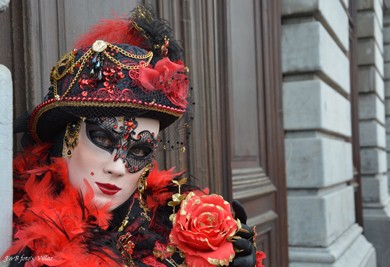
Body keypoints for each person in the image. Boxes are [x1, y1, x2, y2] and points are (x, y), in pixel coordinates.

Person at [2, 5, 266, 267]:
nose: (118, 167)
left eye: (139, 151)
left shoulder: (172, 223)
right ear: (65, 138)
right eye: (104, 139)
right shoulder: (17, 230)